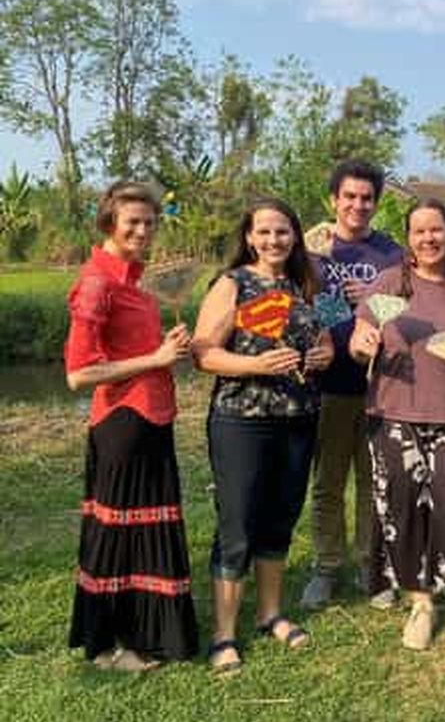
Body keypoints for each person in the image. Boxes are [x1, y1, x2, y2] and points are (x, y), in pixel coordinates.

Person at [350, 198, 445, 650]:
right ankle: (422, 602)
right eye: (419, 231)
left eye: (436, 229)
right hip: (393, 417)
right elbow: (360, 345)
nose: (428, 238)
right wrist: (363, 343)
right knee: (403, 513)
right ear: (408, 238)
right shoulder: (389, 285)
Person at [193, 197, 334, 672]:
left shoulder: (304, 284)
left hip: (300, 418)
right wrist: (255, 364)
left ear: (295, 236)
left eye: (283, 232)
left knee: (281, 516)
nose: (274, 240)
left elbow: (325, 340)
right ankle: (224, 633)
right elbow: (204, 353)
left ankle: (271, 613)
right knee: (238, 524)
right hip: (242, 419)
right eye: (265, 232)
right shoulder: (232, 284)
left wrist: (322, 357)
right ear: (250, 237)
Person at [65, 181, 198, 671]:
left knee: (146, 530)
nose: (143, 230)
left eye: (150, 222)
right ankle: (108, 645)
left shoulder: (131, 280)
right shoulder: (97, 282)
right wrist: (154, 357)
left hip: (153, 418)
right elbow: (79, 374)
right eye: (133, 222)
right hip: (123, 423)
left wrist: (167, 348)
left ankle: (145, 635)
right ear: (109, 223)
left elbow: (136, 351)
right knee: (118, 534)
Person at [300, 160, 403, 610]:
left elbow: (412, 305)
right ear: (334, 201)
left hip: (380, 384)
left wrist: (375, 302)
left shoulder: (392, 252)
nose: (358, 205)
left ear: (376, 203)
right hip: (328, 384)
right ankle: (325, 567)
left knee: (373, 479)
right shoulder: (311, 249)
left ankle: (369, 562)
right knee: (328, 480)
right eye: (350, 197)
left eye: (367, 198)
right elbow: (288, 299)